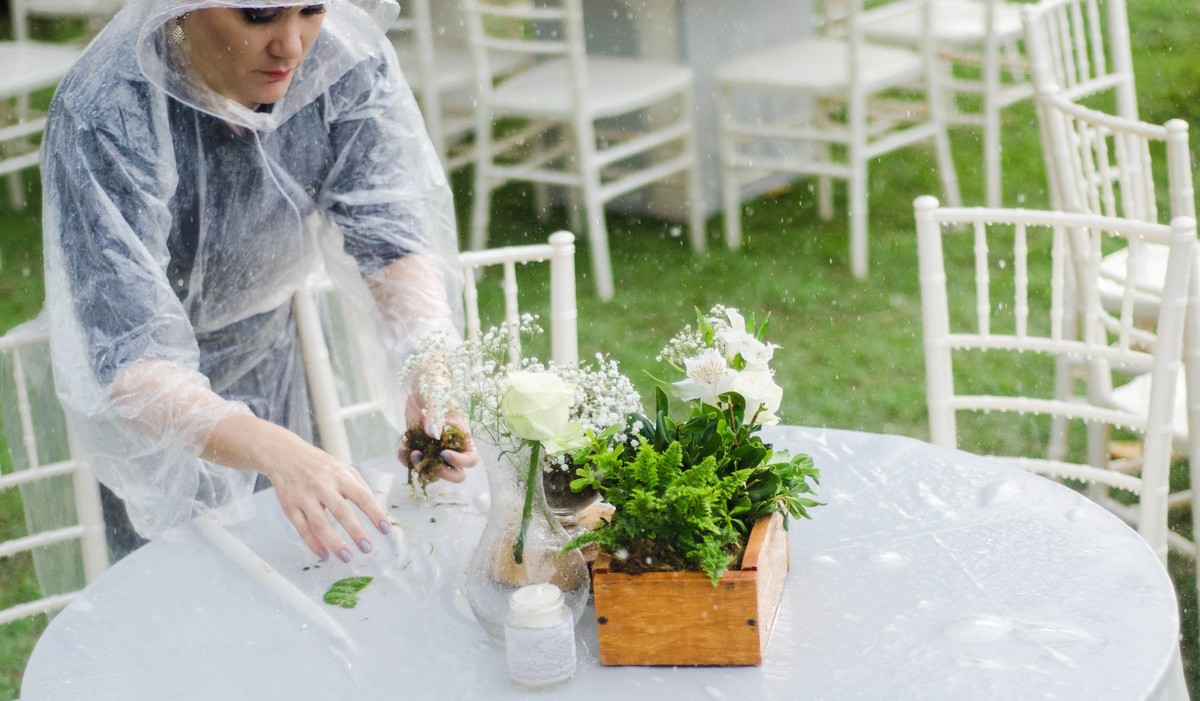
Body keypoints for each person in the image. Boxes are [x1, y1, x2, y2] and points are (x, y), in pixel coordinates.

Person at [40, 0, 477, 563]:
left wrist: (427, 366)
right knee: (179, 601)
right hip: (151, 409)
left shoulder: (343, 62)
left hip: (275, 356)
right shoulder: (107, 109)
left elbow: (389, 236)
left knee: (301, 580)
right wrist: (279, 452)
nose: (292, 46)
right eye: (258, 15)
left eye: (312, 9)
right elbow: (129, 354)